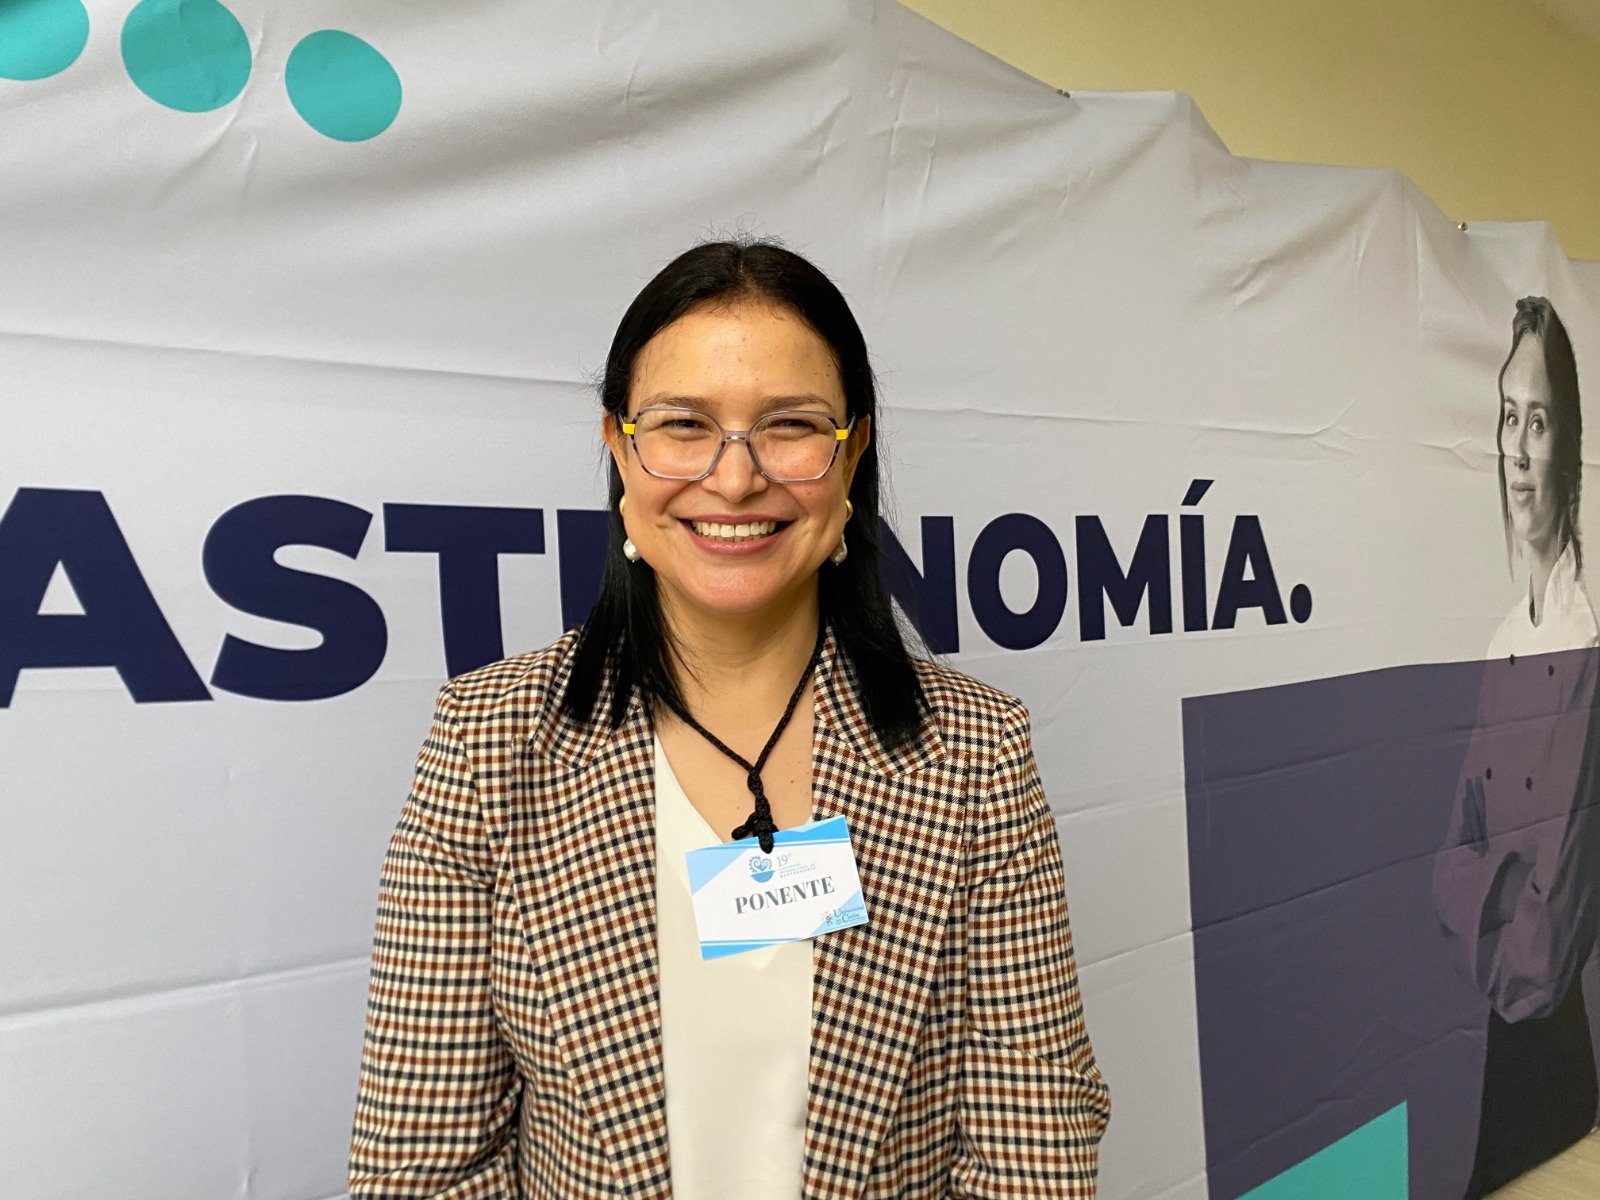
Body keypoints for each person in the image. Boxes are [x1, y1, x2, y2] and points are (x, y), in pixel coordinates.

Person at [347, 239, 1111, 1197]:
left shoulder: (977, 752)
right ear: (619, 446)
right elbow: (424, 1168)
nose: (736, 477)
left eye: (790, 426)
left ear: (853, 452)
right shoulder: (489, 740)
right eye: (682, 425)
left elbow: (1029, 1150)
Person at [1433, 296, 1600, 1198]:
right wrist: (1503, 879)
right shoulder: (1502, 642)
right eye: (1508, 417)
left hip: (1554, 1062)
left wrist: (1485, 881)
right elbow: (1441, 872)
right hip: (1499, 1051)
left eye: (1539, 421)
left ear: (1567, 446)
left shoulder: (1588, 645)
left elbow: (1541, 957)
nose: (1519, 448)